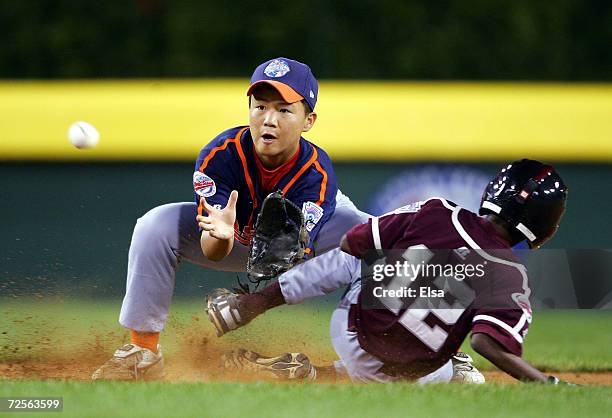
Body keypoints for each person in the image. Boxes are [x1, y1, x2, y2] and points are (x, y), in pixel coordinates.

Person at [92, 57, 370, 380]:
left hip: (301, 247)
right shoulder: (220, 156)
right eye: (261, 106)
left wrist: (253, 302)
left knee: (383, 239)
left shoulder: (316, 174)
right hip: (235, 239)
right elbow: (213, 250)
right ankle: (142, 351)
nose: (269, 119)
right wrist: (220, 236)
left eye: (284, 110)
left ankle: (400, 352)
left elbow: (290, 259)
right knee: (154, 226)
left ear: (308, 120)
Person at [207, 159, 572, 384]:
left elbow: (352, 242)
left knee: (358, 256)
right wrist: (545, 383)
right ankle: (324, 373)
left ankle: (251, 305)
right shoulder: (512, 277)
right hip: (406, 372)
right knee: (467, 379)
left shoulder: (438, 210)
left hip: (351, 329)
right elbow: (486, 342)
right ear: (545, 226)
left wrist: (406, 272)